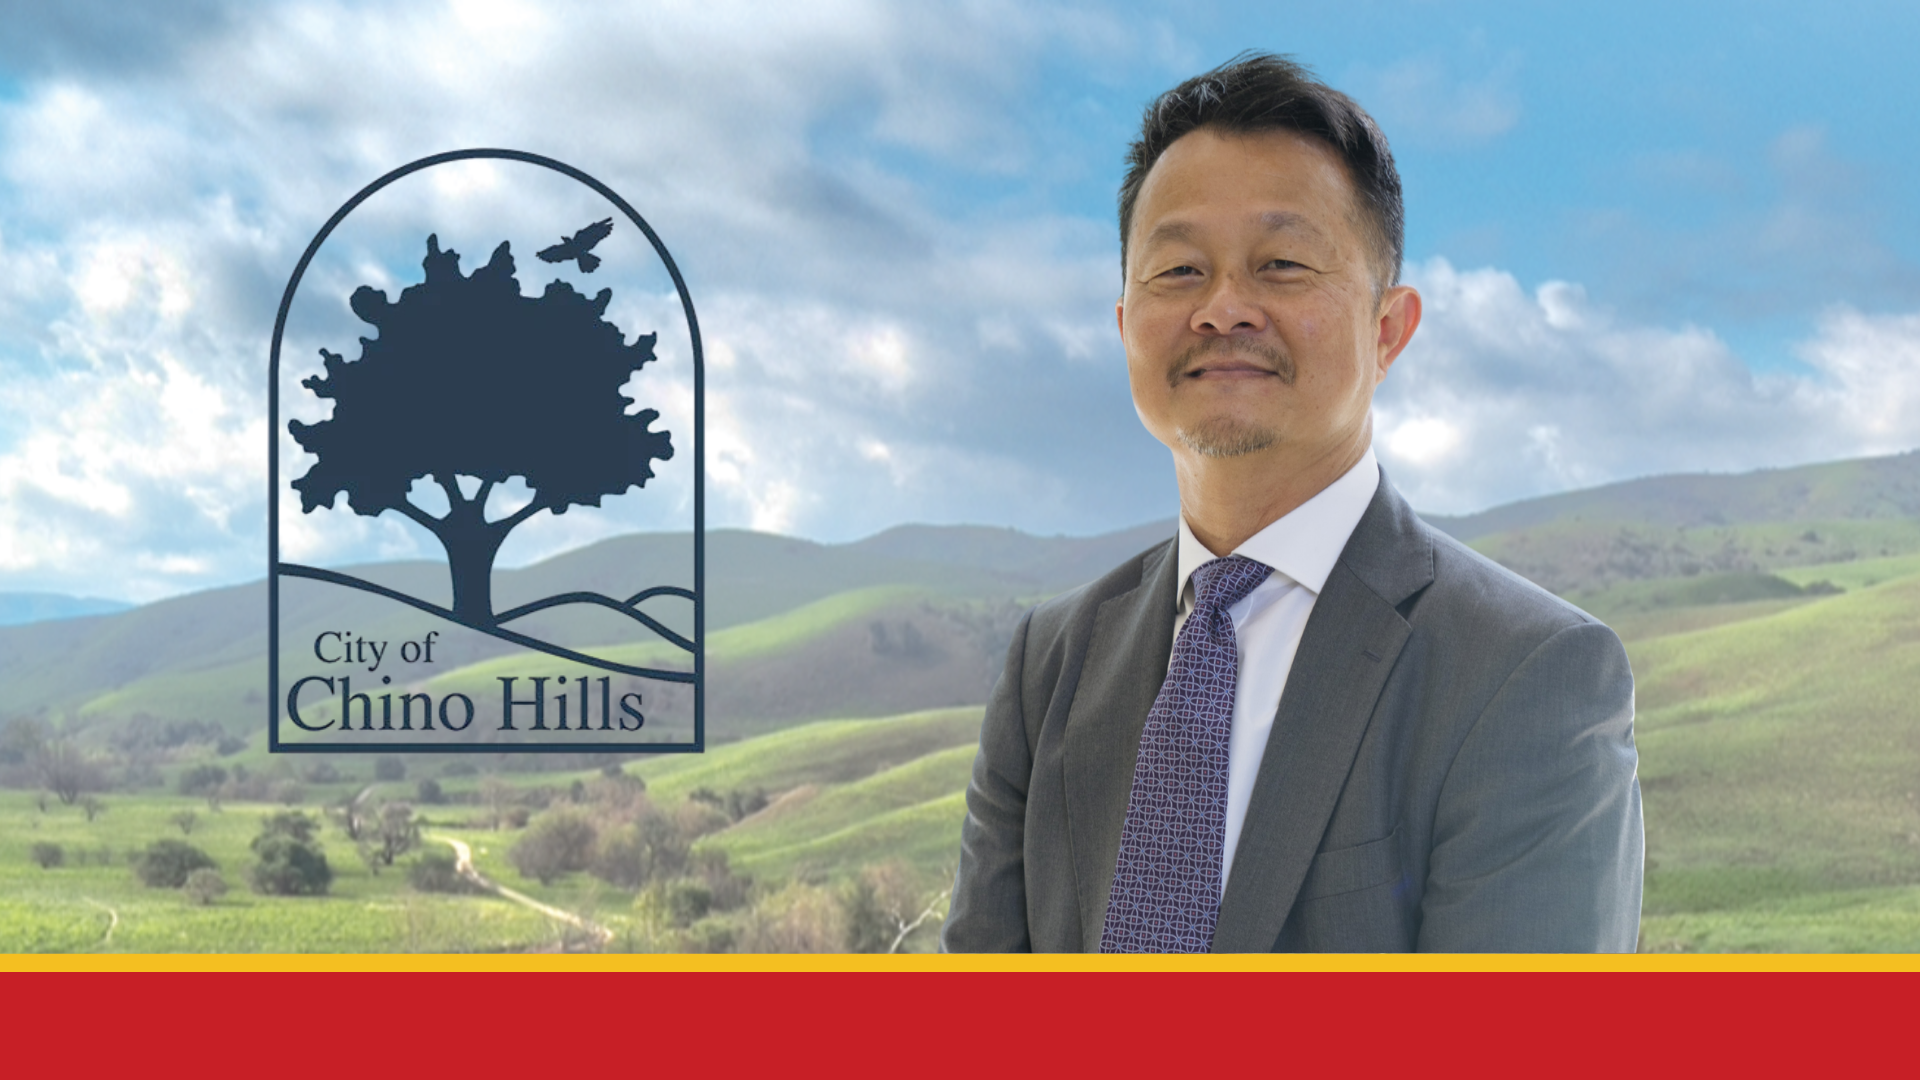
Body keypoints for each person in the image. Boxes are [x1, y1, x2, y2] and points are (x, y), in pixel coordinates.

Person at [941, 53, 1642, 953]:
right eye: (1180, 271)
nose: (1224, 308)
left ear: (1388, 330)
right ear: (1124, 324)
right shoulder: (1052, 665)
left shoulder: (1527, 676)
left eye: (1281, 263)